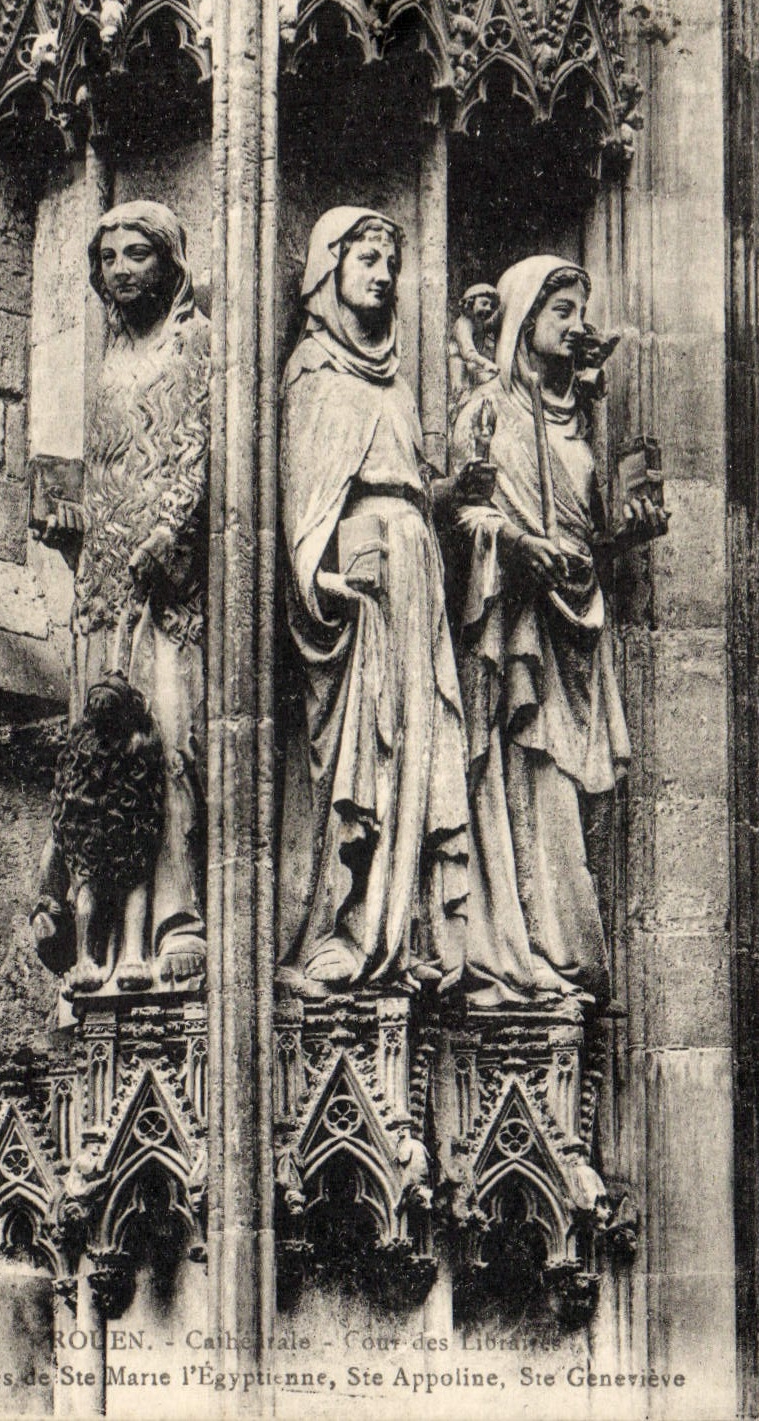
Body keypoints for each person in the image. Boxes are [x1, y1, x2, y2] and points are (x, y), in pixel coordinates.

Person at [448, 256, 667, 1006]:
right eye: (562, 310)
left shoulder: (581, 425)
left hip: (571, 627)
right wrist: (513, 543)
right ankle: (513, 945)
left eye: (582, 311)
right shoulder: (486, 411)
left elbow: (587, 532)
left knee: (564, 794)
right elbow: (460, 508)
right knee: (516, 778)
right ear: (524, 319)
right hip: (511, 628)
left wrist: (625, 531)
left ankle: (561, 949)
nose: (578, 325)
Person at [277, 207, 470, 997]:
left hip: (412, 581)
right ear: (329, 271)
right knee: (354, 762)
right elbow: (304, 499)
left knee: (415, 758)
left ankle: (402, 930)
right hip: (358, 595)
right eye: (367, 258)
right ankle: (333, 928)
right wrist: (317, 577)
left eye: (392, 260)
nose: (384, 274)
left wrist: (458, 495)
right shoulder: (315, 371)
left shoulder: (395, 383)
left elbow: (410, 486)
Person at [32, 201, 209, 993]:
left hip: (170, 586)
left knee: (166, 744)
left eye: (137, 254)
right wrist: (74, 524)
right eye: (107, 259)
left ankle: (176, 914)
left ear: (169, 261)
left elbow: (203, 449)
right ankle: (92, 930)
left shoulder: (193, 342)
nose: (120, 271)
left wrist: (173, 530)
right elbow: (108, 468)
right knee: (99, 759)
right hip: (106, 587)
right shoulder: (106, 356)